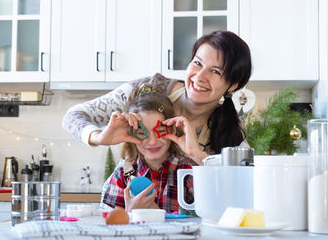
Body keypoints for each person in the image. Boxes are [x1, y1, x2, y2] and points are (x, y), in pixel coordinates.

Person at [62, 30, 252, 164]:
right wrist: (99, 137)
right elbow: (72, 116)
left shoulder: (231, 135)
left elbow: (243, 185)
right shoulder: (148, 88)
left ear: (232, 85)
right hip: (132, 208)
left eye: (216, 72)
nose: (199, 77)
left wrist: (199, 155)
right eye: (197, 63)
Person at [101, 90, 193, 212]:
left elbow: (204, 219)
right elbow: (110, 224)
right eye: (141, 133)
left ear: (172, 130)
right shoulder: (123, 174)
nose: (152, 142)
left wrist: (154, 212)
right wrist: (130, 213)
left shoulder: (188, 171)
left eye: (160, 131)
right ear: (130, 135)